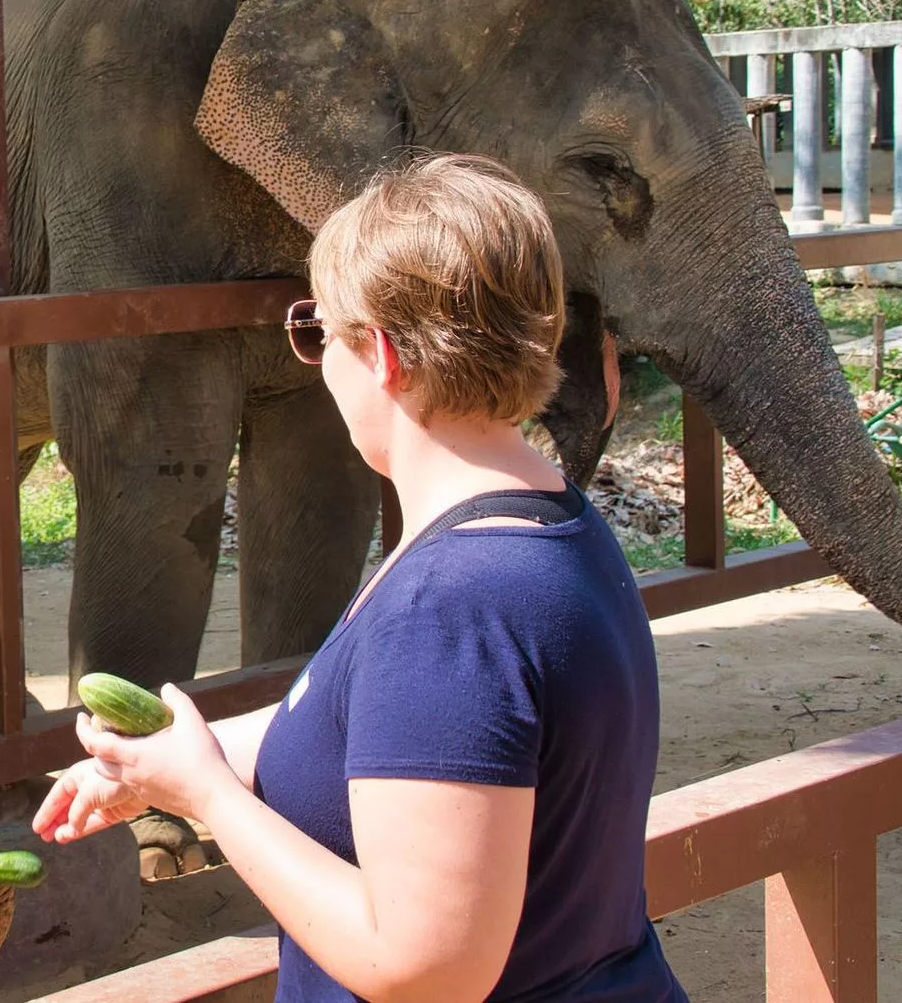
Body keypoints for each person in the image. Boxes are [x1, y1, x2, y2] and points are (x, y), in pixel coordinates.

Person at [34, 154, 687, 1003]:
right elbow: (383, 731)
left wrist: (209, 799)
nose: (318, 362)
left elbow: (421, 966)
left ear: (379, 353)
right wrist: (172, 762)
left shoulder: (448, 609)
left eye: (317, 332)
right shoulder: (548, 521)